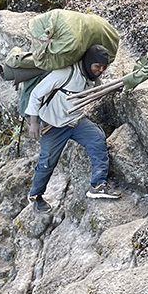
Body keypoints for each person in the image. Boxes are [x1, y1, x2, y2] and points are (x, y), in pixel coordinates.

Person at [26, 45, 122, 212]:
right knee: (47, 162)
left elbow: (98, 89)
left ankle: (98, 185)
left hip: (75, 121)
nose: (100, 70)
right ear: (88, 63)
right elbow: (36, 94)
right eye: (97, 66)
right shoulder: (65, 73)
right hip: (52, 125)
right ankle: (36, 196)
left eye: (103, 68)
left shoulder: (91, 79)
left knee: (96, 138)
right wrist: (34, 122)